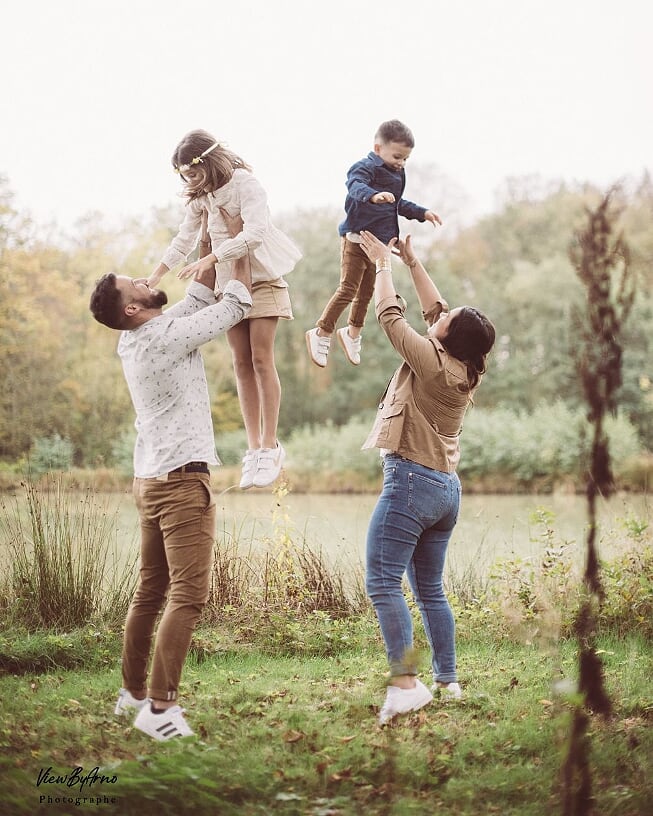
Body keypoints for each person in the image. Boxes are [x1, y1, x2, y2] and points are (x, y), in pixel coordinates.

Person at [89, 247, 252, 741]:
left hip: (150, 480)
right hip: (181, 483)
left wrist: (208, 246)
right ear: (132, 309)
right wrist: (240, 250)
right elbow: (234, 305)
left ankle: (133, 694)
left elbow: (194, 300)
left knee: (150, 591)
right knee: (187, 595)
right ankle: (160, 709)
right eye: (132, 283)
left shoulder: (137, 338)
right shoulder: (161, 338)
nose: (142, 279)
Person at [357, 229, 495, 725]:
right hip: (446, 490)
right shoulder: (466, 366)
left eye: (446, 320)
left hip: (412, 483)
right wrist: (414, 263)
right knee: (430, 590)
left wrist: (382, 265)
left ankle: (405, 684)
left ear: (446, 337)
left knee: (382, 581)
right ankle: (448, 680)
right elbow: (438, 311)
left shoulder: (432, 364)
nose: (441, 314)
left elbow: (390, 319)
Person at [147, 128, 302, 490]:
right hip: (229, 286)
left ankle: (269, 446)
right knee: (241, 363)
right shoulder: (200, 198)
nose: (190, 180)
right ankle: (253, 448)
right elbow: (184, 239)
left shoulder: (247, 184)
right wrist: (155, 276)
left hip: (261, 279)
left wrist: (214, 257)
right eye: (185, 175)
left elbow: (256, 233)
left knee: (262, 358)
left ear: (209, 160)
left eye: (193, 172)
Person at [306, 119, 441, 369]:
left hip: (379, 246)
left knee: (367, 293)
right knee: (348, 289)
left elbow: (398, 203)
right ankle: (321, 332)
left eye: (405, 159)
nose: (401, 163)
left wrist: (422, 213)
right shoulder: (365, 167)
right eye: (397, 156)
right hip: (358, 240)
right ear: (378, 148)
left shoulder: (397, 174)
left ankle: (352, 334)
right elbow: (354, 186)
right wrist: (373, 195)